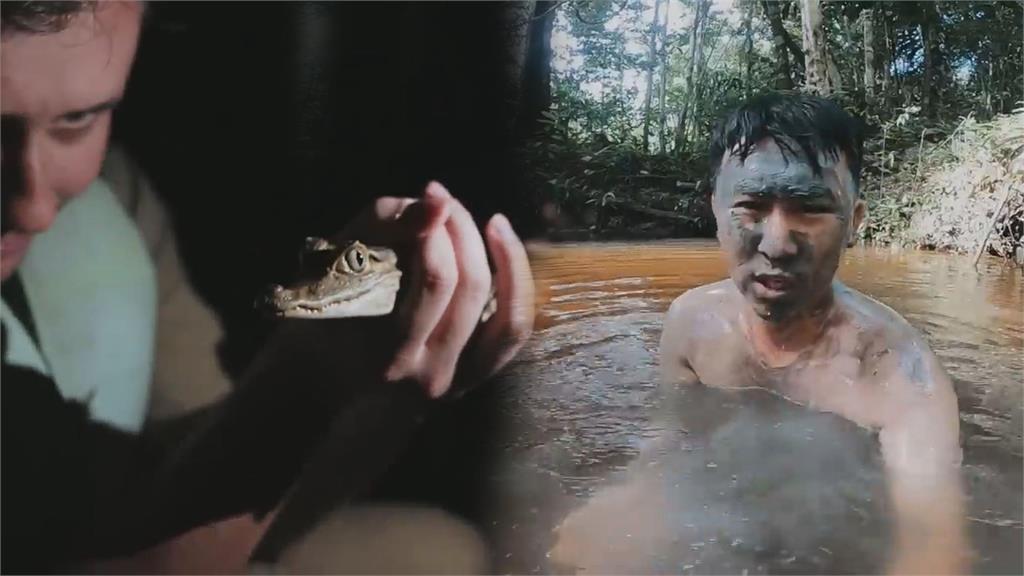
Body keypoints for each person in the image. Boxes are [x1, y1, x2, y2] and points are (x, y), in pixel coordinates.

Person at [0, 1, 534, 573]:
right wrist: (306, 382)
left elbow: (212, 493)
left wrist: (373, 396)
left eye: (77, 120)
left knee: (443, 549)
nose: (32, 209)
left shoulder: (120, 203)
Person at [658, 91, 967, 574]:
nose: (777, 244)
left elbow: (931, 544)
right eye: (750, 206)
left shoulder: (901, 376)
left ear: (854, 223)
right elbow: (666, 445)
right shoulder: (692, 325)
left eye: (810, 208)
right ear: (715, 213)